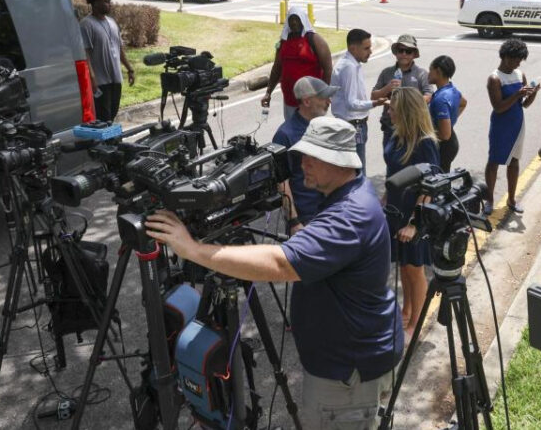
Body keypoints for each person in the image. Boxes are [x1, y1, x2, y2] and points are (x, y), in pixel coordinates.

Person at [145, 117, 403, 430]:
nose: (302, 163)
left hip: (346, 375)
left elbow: (281, 265)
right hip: (355, 359)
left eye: (313, 157)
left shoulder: (349, 215)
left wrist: (193, 250)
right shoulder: (349, 194)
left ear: (340, 163)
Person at [383, 88, 440, 339]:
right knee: (404, 266)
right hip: (395, 212)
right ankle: (406, 311)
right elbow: (393, 174)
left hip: (413, 216)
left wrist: (415, 223)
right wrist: (384, 198)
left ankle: (415, 325)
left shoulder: (425, 142)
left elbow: (430, 185)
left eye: (392, 108)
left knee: (415, 269)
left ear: (405, 112)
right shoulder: (397, 136)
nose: (388, 111)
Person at [272, 76, 339, 229]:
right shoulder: (285, 135)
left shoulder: (324, 126)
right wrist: (294, 221)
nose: (329, 102)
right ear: (307, 101)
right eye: (324, 98)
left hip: (331, 209)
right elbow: (282, 183)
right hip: (308, 218)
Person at [484, 39, 540, 215]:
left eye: (520, 60)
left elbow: (525, 104)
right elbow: (498, 107)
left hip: (517, 124)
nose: (518, 63)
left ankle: (511, 199)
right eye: (516, 59)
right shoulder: (494, 78)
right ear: (506, 57)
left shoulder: (519, 74)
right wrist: (517, 94)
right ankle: (489, 199)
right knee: (494, 161)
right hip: (501, 125)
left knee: (514, 162)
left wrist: (534, 92)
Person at [331, 29, 388, 175]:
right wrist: (374, 103)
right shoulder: (348, 67)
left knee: (353, 170)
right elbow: (351, 103)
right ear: (353, 48)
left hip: (355, 124)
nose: (370, 51)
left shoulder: (351, 64)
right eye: (366, 48)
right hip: (353, 126)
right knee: (358, 171)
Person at [262, 6, 333, 120]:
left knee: (311, 134)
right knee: (292, 134)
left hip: (311, 102)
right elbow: (277, 69)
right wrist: (268, 93)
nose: (294, 22)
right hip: (290, 101)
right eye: (291, 19)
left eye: (297, 19)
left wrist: (323, 95)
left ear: (303, 20)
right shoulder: (283, 42)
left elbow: (328, 69)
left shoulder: (314, 40)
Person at [80, 0, 135, 122]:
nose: (109, 4)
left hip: (115, 78)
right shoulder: (86, 25)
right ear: (95, 2)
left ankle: (111, 141)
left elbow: (119, 49)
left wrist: (129, 69)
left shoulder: (112, 22)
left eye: (109, 1)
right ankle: (106, 142)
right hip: (100, 81)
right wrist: (92, 79)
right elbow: (85, 53)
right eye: (105, 1)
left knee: (112, 113)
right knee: (103, 117)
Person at [372, 34, 435, 146]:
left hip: (413, 127)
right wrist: (387, 88)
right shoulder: (386, 73)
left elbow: (429, 95)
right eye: (401, 50)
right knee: (390, 160)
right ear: (396, 52)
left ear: (414, 54)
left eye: (408, 51)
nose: (404, 54)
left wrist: (408, 104)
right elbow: (373, 96)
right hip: (390, 127)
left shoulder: (421, 74)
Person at [428, 55, 467, 172]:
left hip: (443, 147)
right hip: (450, 144)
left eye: (430, 70)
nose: (428, 74)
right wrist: (451, 120)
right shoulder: (452, 90)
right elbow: (463, 103)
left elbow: (445, 135)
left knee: (438, 183)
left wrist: (423, 136)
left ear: (438, 71)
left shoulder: (441, 98)